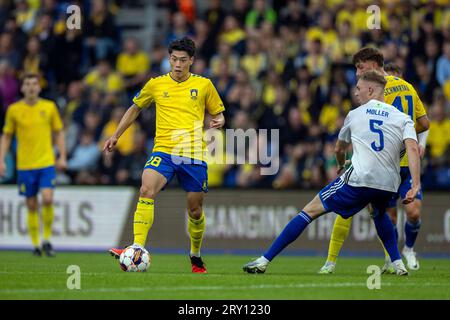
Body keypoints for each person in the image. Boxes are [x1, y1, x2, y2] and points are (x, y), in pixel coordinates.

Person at [243, 71, 420, 276]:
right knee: (379, 212)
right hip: (388, 183)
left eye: (358, 88)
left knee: (309, 210)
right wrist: (415, 184)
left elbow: (339, 149)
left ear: (371, 90)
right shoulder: (402, 118)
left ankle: (264, 260)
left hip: (359, 179)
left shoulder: (355, 114)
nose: (355, 93)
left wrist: (341, 165)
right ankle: (397, 263)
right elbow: (413, 149)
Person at [105, 37, 225, 273]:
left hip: (193, 154)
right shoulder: (155, 84)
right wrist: (116, 135)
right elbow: (135, 108)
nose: (177, 64)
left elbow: (219, 113)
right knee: (146, 189)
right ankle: (137, 246)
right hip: (164, 150)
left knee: (195, 210)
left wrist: (219, 120)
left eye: (182, 60)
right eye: (173, 59)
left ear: (191, 60)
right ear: (168, 59)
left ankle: (195, 254)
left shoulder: (204, 85)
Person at [318, 47, 430, 274]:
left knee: (359, 209)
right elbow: (424, 124)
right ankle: (393, 260)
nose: (357, 73)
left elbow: (367, 127)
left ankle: (335, 262)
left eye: (361, 67)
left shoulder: (376, 91)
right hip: (399, 161)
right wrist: (408, 138)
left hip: (380, 162)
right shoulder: (407, 87)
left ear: (374, 65)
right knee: (383, 213)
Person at [0, 73, 67, 257]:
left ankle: (46, 240)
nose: (31, 87)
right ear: (22, 88)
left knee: (47, 199)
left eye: (34, 84)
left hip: (46, 162)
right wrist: (1, 160)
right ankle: (36, 244)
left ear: (39, 87)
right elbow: (6, 136)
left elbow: (59, 132)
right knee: (31, 205)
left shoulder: (49, 107)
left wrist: (62, 156)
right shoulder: (14, 110)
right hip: (25, 165)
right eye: (27, 84)